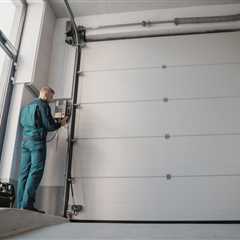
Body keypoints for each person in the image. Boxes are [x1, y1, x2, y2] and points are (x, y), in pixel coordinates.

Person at [17, 86, 68, 213]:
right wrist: (60, 123)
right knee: (36, 172)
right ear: (45, 94)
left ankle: (20, 205)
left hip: (25, 142)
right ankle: (27, 205)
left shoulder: (28, 106)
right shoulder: (43, 105)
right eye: (51, 96)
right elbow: (50, 125)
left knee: (23, 174)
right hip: (37, 143)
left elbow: (22, 123)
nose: (51, 99)